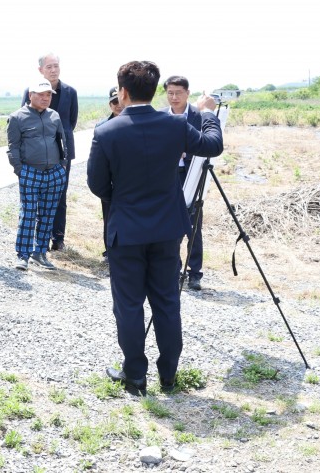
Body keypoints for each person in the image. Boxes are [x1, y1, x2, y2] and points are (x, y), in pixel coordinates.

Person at [87, 61, 222, 395]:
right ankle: (169, 376)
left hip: (126, 230)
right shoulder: (175, 126)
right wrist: (206, 113)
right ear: (154, 89)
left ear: (123, 92)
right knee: (166, 302)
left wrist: (124, 198)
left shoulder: (107, 132)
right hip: (166, 229)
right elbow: (212, 145)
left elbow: (97, 184)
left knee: (129, 304)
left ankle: (135, 375)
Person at [7, 81, 67, 271]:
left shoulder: (54, 116)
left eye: (48, 95)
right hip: (30, 172)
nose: (45, 98)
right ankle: (22, 255)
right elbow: (13, 147)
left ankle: (39, 253)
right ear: (30, 95)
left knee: (48, 215)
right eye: (41, 94)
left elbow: (62, 142)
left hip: (54, 173)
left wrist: (62, 167)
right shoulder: (17, 117)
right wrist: (20, 170)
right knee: (29, 213)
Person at [21, 53, 77, 251]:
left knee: (60, 195)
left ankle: (58, 237)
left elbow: (71, 122)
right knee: (35, 196)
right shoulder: (31, 90)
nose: (53, 70)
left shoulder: (70, 92)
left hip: (62, 153)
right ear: (40, 70)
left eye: (56, 66)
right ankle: (37, 239)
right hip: (36, 154)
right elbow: (23, 119)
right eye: (49, 67)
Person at [161, 75, 208, 290]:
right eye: (170, 93)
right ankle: (174, 268)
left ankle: (195, 272)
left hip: (193, 175)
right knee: (170, 223)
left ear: (188, 93)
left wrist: (186, 151)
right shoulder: (161, 116)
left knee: (194, 223)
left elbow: (206, 144)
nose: (174, 97)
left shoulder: (198, 116)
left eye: (178, 93)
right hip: (169, 177)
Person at [95, 87, 123, 254]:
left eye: (120, 101)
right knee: (108, 216)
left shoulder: (134, 124)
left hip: (126, 178)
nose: (118, 106)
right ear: (110, 105)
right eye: (114, 102)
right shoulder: (102, 126)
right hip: (108, 179)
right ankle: (109, 250)